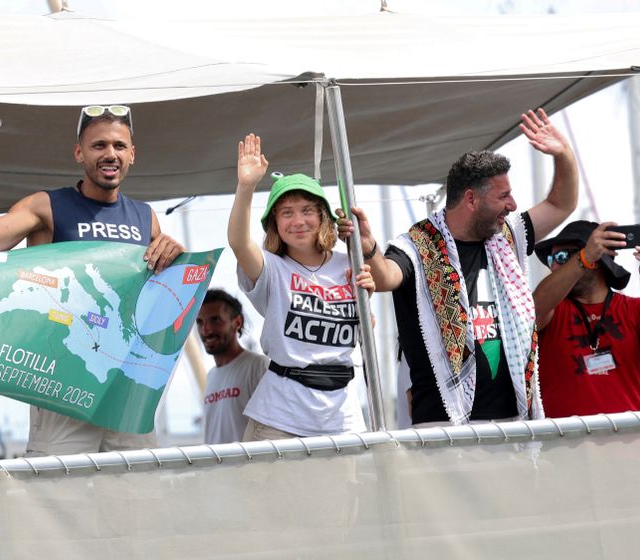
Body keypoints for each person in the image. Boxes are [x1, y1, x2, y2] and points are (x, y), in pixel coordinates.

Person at [0, 105, 184, 456]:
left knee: (136, 498)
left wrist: (173, 255)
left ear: (132, 155)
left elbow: (155, 299)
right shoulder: (46, 206)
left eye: (120, 146)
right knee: (58, 499)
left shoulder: (144, 217)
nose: (110, 154)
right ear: (79, 152)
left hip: (125, 390)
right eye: (98, 145)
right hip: (62, 385)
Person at [342, 109, 578, 426]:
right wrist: (369, 247)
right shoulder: (418, 245)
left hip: (512, 422)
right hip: (444, 427)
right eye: (503, 196)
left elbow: (561, 204)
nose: (513, 205)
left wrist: (564, 155)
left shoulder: (507, 237)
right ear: (471, 199)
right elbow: (386, 277)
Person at [227, 133, 373, 440]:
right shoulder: (272, 268)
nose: (298, 221)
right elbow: (239, 242)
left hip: (342, 419)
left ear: (323, 217)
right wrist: (246, 185)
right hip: (279, 418)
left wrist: (367, 296)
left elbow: (365, 330)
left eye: (307, 210)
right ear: (274, 224)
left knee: (344, 491)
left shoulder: (350, 263)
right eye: (286, 213)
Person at [532, 220, 640, 417]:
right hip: (565, 446)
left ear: (597, 259)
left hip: (633, 444)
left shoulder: (635, 309)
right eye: (552, 260)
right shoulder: (551, 311)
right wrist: (584, 257)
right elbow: (534, 310)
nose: (555, 265)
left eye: (563, 256)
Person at [196, 289, 269, 444]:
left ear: (237, 322)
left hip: (248, 467)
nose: (206, 330)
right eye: (200, 322)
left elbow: (272, 430)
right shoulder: (211, 376)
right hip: (215, 468)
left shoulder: (258, 366)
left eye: (215, 320)